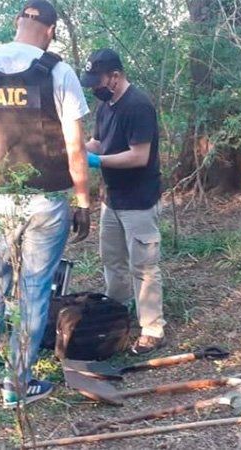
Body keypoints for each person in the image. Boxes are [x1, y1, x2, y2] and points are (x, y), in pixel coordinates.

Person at [0, 0, 91, 407]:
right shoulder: (57, 71)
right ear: (50, 31)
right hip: (46, 203)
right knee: (33, 292)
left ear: (18, 23)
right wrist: (83, 200)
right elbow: (75, 147)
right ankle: (16, 384)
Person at [80, 49, 166, 355]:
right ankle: (117, 313)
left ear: (114, 77)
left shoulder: (138, 106)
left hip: (139, 200)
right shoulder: (106, 106)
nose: (94, 88)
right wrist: (78, 149)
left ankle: (152, 329)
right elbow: (98, 141)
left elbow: (139, 156)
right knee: (112, 260)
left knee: (143, 266)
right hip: (112, 200)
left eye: (97, 81)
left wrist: (97, 161)